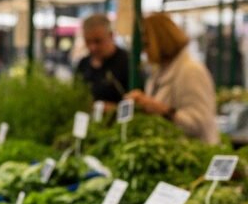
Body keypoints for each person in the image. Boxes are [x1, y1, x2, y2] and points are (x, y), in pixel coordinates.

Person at [126, 13, 219, 144]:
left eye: (146, 45)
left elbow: (200, 123)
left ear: (161, 41)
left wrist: (162, 111)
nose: (143, 52)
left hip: (194, 154)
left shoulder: (190, 71)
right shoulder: (158, 72)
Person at [76, 14, 129, 104]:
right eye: (88, 41)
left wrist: (112, 109)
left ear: (111, 36)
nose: (93, 47)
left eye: (98, 41)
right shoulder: (83, 64)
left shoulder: (127, 63)